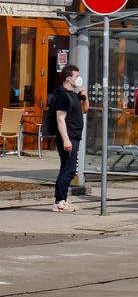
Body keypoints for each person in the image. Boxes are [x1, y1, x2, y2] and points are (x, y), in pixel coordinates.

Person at [52, 64, 89, 213]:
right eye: (76, 76)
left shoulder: (73, 95)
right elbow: (60, 119)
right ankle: (59, 201)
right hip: (68, 138)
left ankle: (63, 199)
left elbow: (84, 110)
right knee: (69, 170)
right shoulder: (62, 95)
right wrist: (66, 139)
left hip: (74, 136)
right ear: (68, 78)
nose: (79, 79)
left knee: (68, 168)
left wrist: (84, 98)